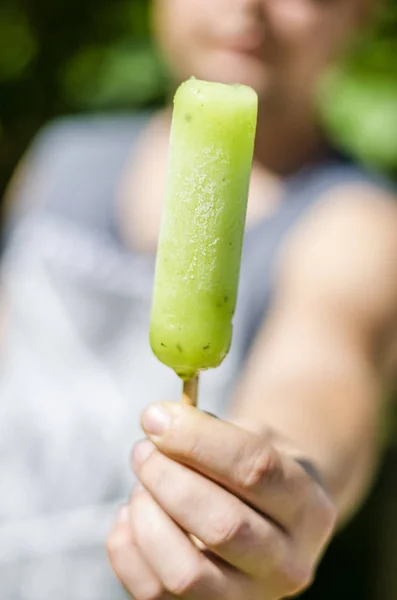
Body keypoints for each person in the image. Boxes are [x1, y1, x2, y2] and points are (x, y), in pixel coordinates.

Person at [1, 0, 396, 598]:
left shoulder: (358, 226)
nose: (245, 9)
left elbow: (323, 383)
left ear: (359, 15)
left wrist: (287, 486)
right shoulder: (63, 157)